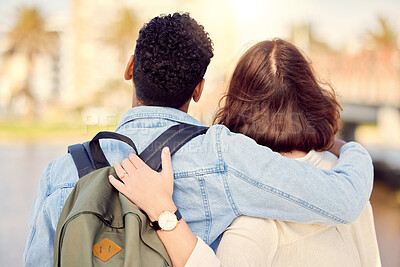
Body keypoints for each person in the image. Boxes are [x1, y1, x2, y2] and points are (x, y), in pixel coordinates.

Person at [24, 13, 373, 266]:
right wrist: (351, 148)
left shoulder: (60, 173)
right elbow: (342, 201)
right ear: (199, 88)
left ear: (130, 68)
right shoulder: (223, 154)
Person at [109, 39, 380, 266]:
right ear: (313, 99)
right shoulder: (352, 181)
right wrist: (347, 148)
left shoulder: (251, 217)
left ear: (238, 106)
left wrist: (165, 214)